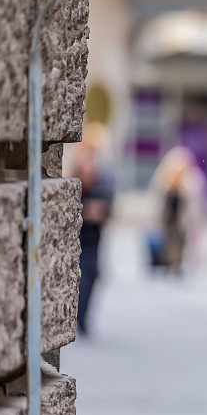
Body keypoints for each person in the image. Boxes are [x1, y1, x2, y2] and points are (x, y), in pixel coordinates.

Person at [72, 140, 114, 336]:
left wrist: (99, 212)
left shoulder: (101, 185)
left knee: (93, 277)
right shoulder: (75, 184)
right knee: (80, 279)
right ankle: (77, 318)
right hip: (77, 241)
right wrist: (86, 211)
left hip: (93, 241)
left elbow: (108, 210)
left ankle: (84, 318)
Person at [149, 146, 207, 275]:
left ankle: (177, 264)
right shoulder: (163, 178)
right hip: (168, 219)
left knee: (181, 242)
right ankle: (168, 263)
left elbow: (198, 203)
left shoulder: (192, 180)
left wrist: (198, 222)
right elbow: (157, 201)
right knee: (168, 242)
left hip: (182, 221)